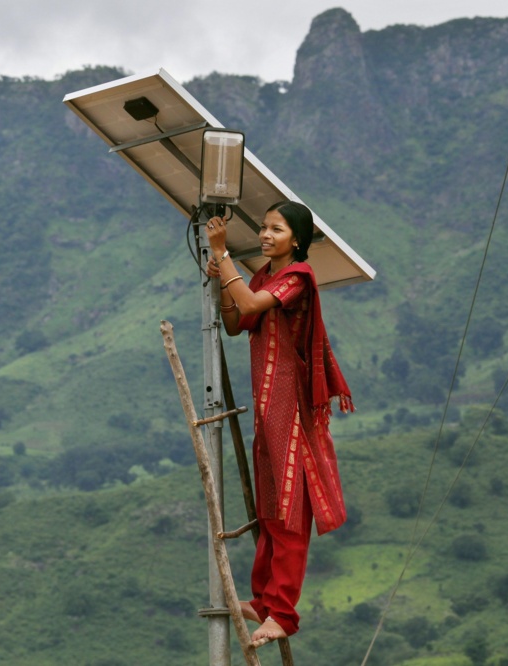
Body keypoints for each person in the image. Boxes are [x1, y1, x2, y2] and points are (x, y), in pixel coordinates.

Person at [205, 201, 353, 646]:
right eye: (265, 227)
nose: (266, 235)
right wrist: (222, 285)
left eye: (276, 229)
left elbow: (250, 302)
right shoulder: (264, 277)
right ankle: (266, 601)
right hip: (269, 407)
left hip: (293, 410)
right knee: (270, 508)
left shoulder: (298, 278)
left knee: (289, 512)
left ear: (297, 240)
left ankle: (283, 614)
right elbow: (237, 320)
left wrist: (223, 254)